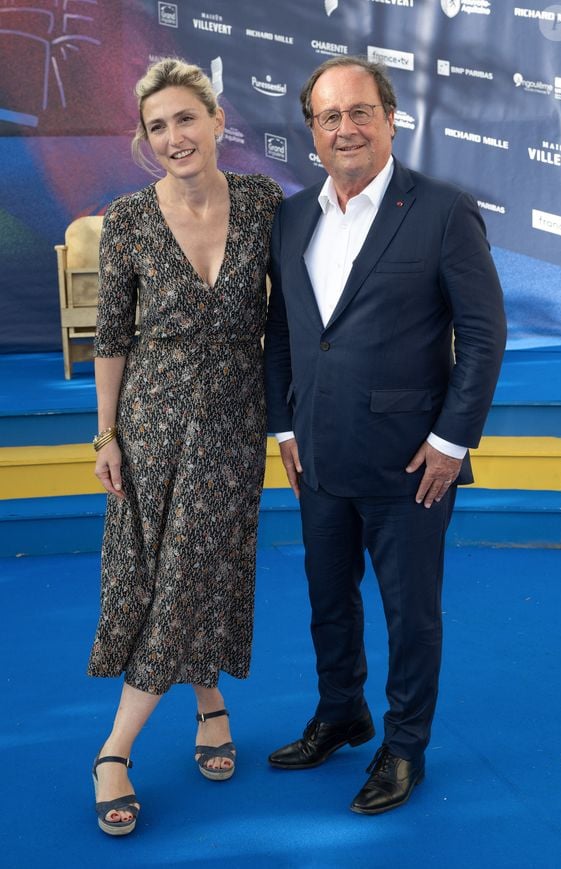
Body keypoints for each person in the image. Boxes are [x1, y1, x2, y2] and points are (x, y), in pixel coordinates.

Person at [264, 56, 506, 814]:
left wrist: (450, 441)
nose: (346, 128)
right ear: (312, 132)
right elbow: (282, 332)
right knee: (327, 601)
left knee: (411, 614)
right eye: (330, 117)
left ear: (392, 117)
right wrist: (283, 422)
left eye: (360, 111)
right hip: (319, 455)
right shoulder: (293, 216)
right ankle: (343, 711)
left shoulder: (442, 210)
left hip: (412, 464)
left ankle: (405, 745)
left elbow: (484, 334)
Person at [87, 57, 282, 836]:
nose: (174, 137)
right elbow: (110, 336)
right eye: (157, 126)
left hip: (235, 421)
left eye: (185, 119)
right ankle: (208, 704)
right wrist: (105, 431)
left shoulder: (265, 202)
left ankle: (114, 750)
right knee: (160, 574)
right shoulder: (130, 217)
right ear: (146, 139)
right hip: (152, 424)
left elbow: (304, 308)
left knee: (196, 567)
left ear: (217, 121)